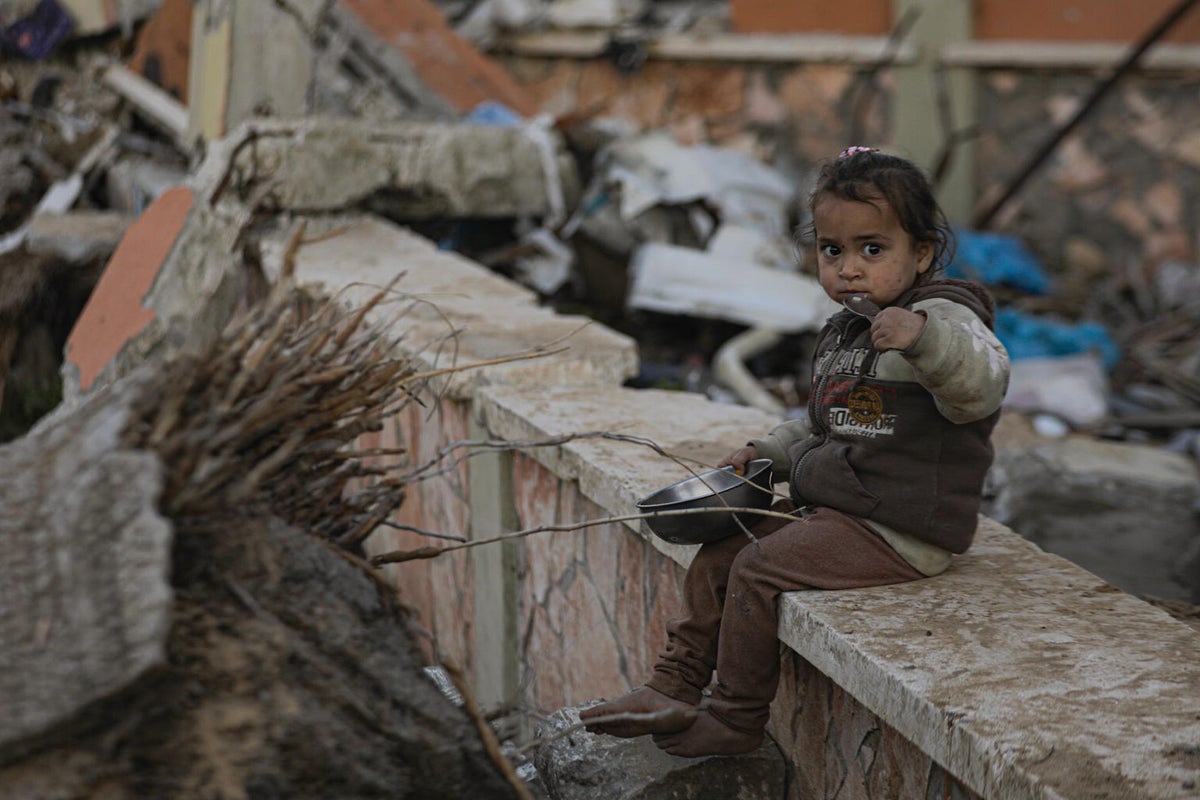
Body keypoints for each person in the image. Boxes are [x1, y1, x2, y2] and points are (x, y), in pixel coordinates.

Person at [580, 146, 1011, 758]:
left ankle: (736, 718)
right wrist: (766, 453)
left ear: (920, 252)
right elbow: (824, 426)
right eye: (833, 251)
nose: (850, 268)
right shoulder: (846, 331)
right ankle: (672, 686)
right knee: (720, 552)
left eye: (873, 248)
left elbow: (983, 385)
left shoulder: (940, 314)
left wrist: (925, 341)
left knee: (759, 567)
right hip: (842, 512)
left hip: (898, 527)